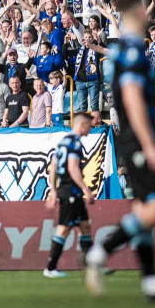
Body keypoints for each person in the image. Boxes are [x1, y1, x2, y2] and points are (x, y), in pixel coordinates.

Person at [85, 0, 155, 304]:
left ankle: (152, 285)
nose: (148, 14)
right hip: (135, 138)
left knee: (145, 210)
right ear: (134, 13)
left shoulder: (124, 50)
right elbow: (130, 97)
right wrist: (149, 142)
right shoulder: (130, 50)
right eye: (144, 9)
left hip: (129, 137)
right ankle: (99, 252)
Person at [43, 112, 96, 278]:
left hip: (66, 190)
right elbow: (73, 168)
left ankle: (93, 266)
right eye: (89, 125)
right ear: (82, 125)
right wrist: (86, 189)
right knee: (64, 228)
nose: (90, 128)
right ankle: (50, 268)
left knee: (85, 226)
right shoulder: (75, 142)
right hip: (70, 190)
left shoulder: (63, 141)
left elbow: (53, 166)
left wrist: (52, 189)